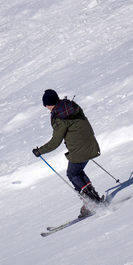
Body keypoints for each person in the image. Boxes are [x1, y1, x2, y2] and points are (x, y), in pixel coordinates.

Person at [32, 89, 103, 217]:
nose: (46, 108)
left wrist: (40, 151)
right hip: (90, 144)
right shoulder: (71, 107)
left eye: (46, 105)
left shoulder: (60, 118)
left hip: (79, 149)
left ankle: (91, 202)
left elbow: (55, 142)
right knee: (77, 172)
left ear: (49, 104)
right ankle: (94, 198)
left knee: (72, 173)